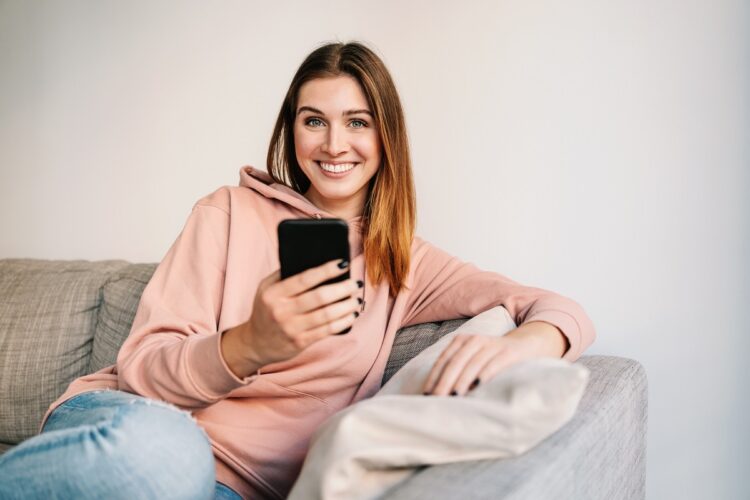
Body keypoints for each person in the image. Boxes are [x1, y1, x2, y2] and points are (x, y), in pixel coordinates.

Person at [0, 41, 596, 499]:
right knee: (165, 453)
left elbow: (557, 308)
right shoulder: (228, 212)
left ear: (386, 136)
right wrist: (247, 346)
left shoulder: (404, 262)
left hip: (230, 488)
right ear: (292, 130)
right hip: (133, 427)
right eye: (315, 120)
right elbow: (143, 368)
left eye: (357, 122)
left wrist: (527, 344)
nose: (335, 143)